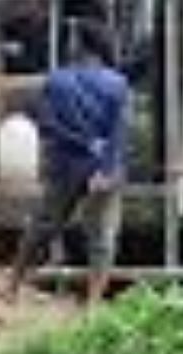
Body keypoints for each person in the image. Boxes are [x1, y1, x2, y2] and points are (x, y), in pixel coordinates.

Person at [8, 18, 130, 308]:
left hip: (65, 165)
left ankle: (13, 283)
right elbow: (120, 133)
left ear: (77, 46)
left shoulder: (56, 80)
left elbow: (47, 124)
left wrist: (81, 142)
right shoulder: (117, 84)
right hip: (103, 168)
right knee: (102, 238)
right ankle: (94, 300)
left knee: (42, 226)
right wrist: (108, 168)